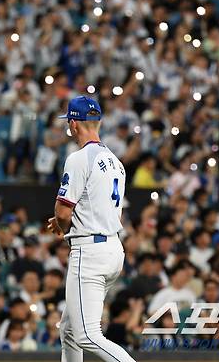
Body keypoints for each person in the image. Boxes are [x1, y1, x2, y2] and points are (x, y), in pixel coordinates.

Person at [46, 95, 134, 362]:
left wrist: (61, 223)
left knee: (86, 334)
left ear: (74, 124)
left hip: (90, 251)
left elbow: (63, 211)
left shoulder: (78, 158)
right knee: (71, 331)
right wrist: (65, 220)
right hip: (112, 248)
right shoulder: (116, 162)